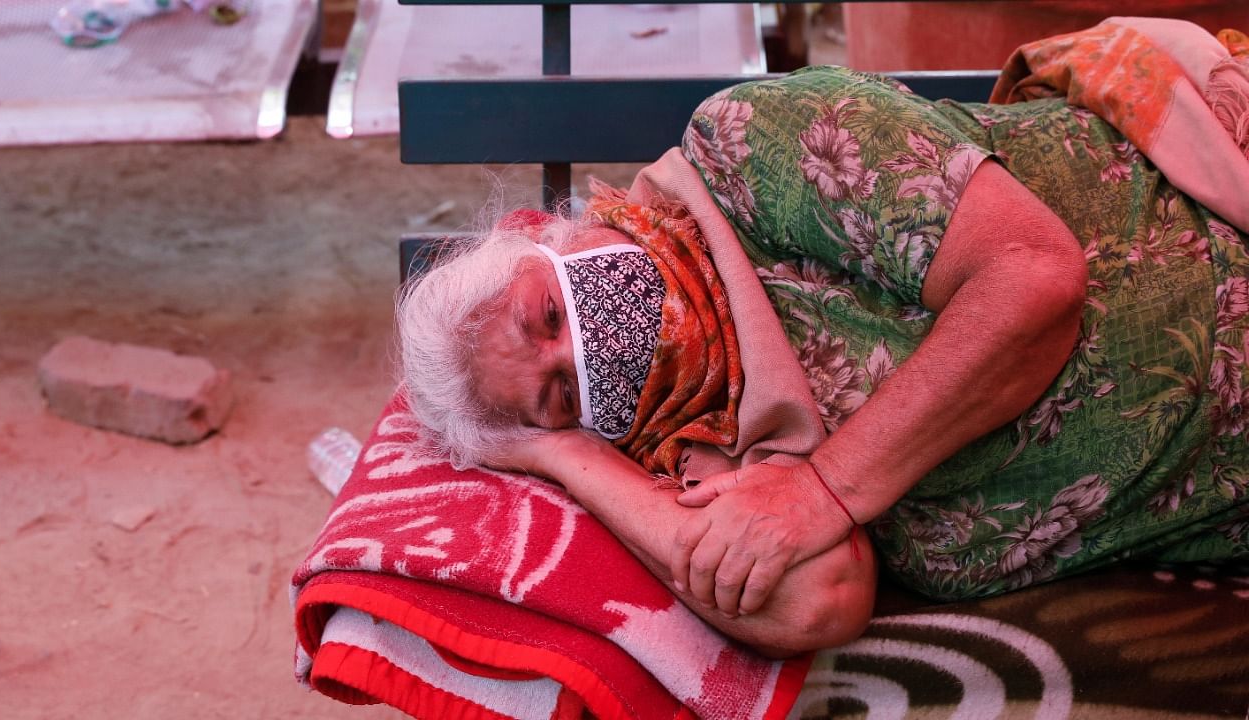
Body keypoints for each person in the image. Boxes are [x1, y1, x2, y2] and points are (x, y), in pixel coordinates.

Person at [397, 21, 1249, 657]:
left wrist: (828, 491)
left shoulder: (744, 150)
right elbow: (815, 599)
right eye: (564, 393)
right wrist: (559, 456)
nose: (581, 347)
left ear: (559, 239)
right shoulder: (694, 442)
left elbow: (1032, 278)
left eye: (546, 314)